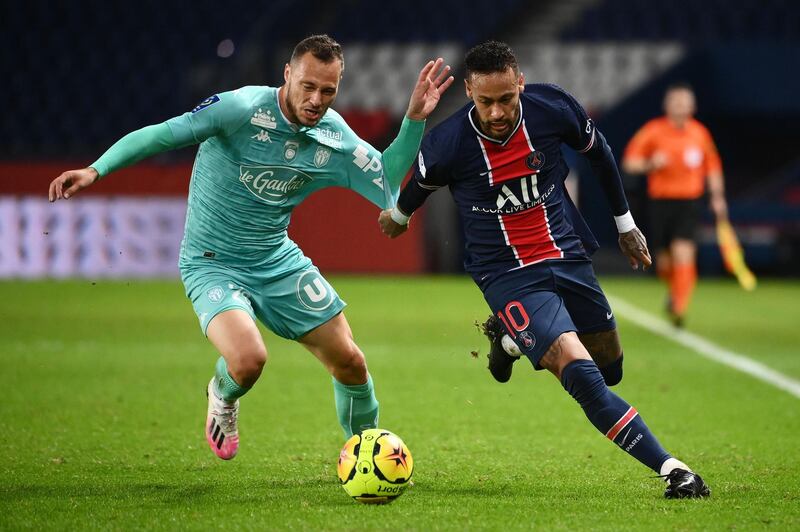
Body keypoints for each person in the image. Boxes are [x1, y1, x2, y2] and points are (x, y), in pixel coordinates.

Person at [48, 34, 454, 460]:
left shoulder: (332, 137)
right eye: (308, 86)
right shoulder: (239, 109)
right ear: (287, 75)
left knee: (351, 362)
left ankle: (367, 455)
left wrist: (413, 121)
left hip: (275, 260)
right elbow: (163, 135)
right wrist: (97, 169)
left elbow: (387, 178)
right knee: (249, 360)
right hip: (212, 263)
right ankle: (222, 394)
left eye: (328, 91)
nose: (317, 100)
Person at [379, 41, 709, 498]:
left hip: (567, 256)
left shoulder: (553, 108)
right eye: (485, 101)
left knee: (610, 368)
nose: (496, 112)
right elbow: (418, 184)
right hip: (507, 276)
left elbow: (600, 153)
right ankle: (674, 470)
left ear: (520, 84)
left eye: (506, 99)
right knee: (583, 377)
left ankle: (510, 341)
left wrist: (625, 224)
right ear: (470, 92)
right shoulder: (449, 142)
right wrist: (398, 216)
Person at [622, 83, 728, 327]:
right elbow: (629, 163)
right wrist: (650, 164)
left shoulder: (700, 134)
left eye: (684, 102)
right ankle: (674, 293)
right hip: (660, 203)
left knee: (684, 252)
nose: (680, 106)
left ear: (692, 106)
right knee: (664, 263)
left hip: (689, 203)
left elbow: (712, 168)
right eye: (676, 101)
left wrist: (718, 197)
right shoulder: (653, 131)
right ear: (667, 105)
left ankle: (679, 306)